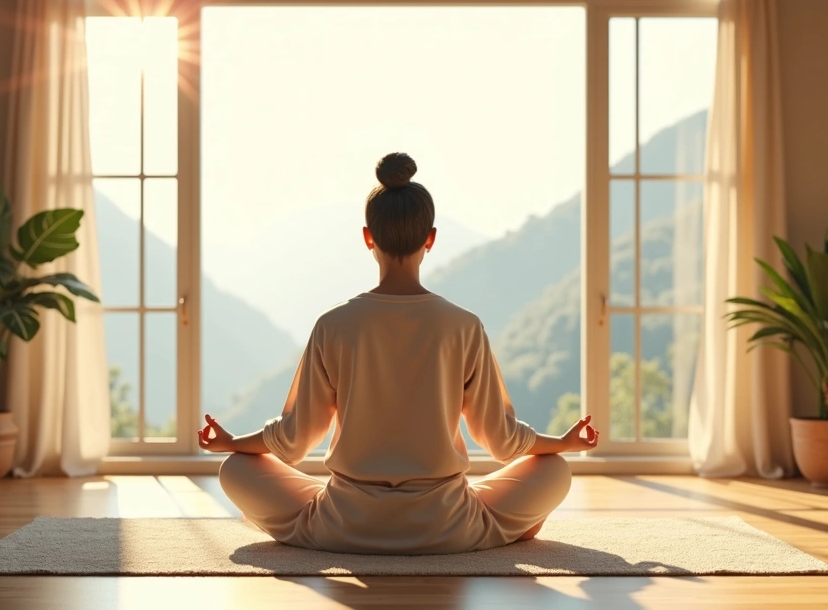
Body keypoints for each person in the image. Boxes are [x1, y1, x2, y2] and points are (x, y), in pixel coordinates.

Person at [199, 153, 599, 555]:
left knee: (235, 468)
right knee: (554, 471)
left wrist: (231, 442)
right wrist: (562, 443)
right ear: (431, 238)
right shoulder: (464, 326)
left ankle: (319, 529)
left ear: (368, 238)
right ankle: (503, 527)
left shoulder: (333, 325)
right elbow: (503, 440)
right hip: (448, 525)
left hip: (343, 523)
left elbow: (294, 439)